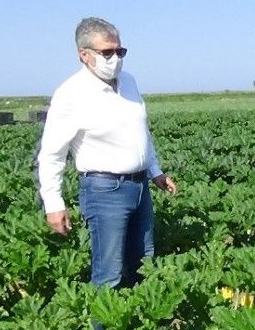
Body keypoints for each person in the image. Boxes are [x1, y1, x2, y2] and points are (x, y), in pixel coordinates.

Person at [36, 17, 177, 296]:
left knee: (144, 262)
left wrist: (156, 171)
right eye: (107, 52)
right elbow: (52, 154)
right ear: (84, 55)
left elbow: (141, 133)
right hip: (104, 190)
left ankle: (137, 328)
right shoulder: (71, 94)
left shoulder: (129, 82)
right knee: (109, 271)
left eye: (120, 51)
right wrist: (53, 203)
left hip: (140, 187)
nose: (115, 58)